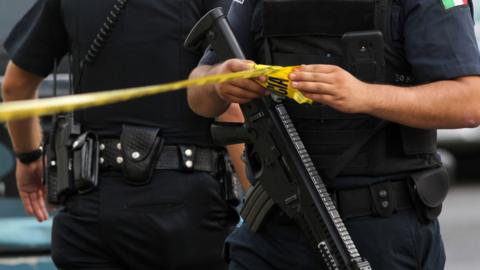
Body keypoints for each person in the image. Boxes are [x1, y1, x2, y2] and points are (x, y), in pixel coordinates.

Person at [187, 0, 480, 269]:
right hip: (274, 231)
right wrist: (218, 82)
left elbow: (470, 102)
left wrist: (366, 96)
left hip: (381, 230)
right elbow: (197, 93)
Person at [1, 0, 246, 269]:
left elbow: (15, 86)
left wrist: (28, 157)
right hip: (189, 213)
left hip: (91, 213)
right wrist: (260, 207)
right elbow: (231, 102)